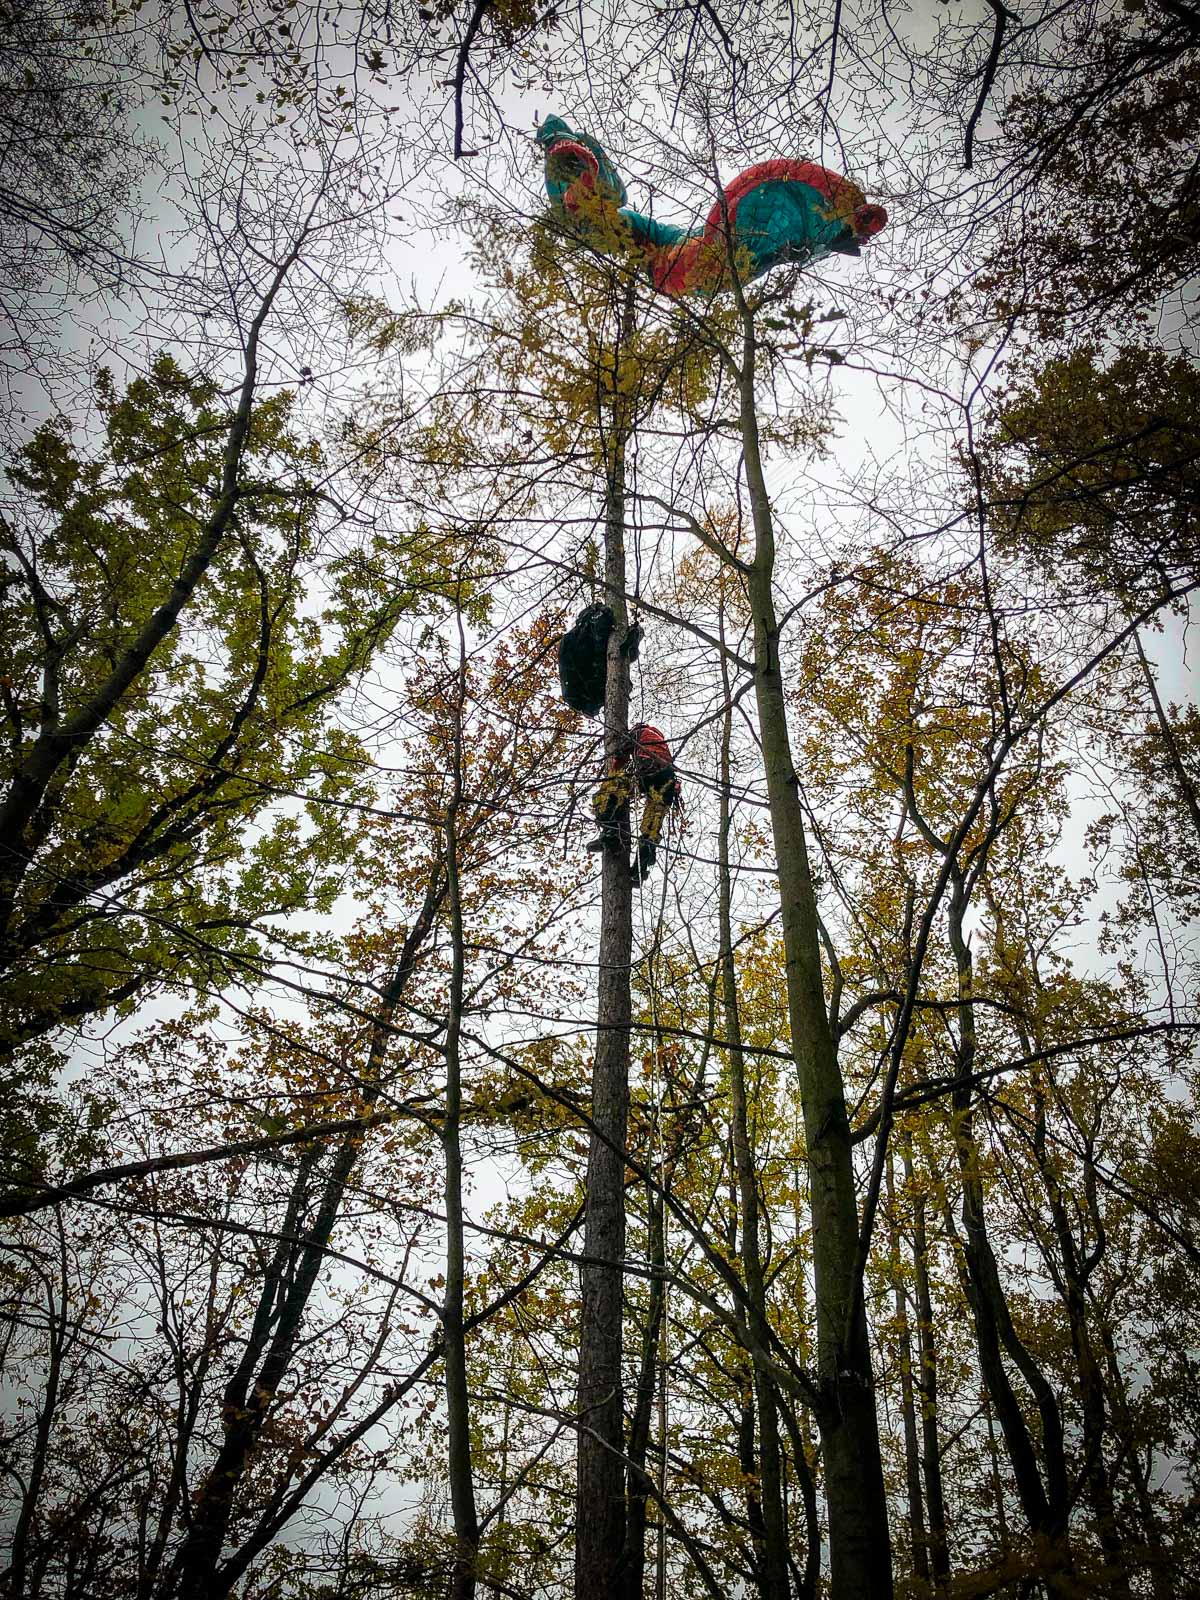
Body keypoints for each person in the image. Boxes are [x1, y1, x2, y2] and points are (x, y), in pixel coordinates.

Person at [586, 723, 681, 885]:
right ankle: (639, 870)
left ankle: (612, 835)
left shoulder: (640, 733)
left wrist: (612, 775)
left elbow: (621, 756)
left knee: (605, 795)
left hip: (647, 769)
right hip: (668, 780)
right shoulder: (661, 742)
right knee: (651, 827)